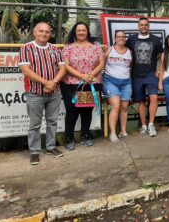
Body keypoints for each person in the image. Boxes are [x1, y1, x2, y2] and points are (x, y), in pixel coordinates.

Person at [19, 22, 66, 165]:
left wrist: (53, 84)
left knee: (52, 121)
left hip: (54, 93)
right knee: (35, 124)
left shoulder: (54, 49)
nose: (44, 34)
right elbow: (26, 70)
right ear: (34, 32)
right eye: (41, 31)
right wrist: (46, 83)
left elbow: (62, 69)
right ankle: (34, 151)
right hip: (35, 93)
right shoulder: (26, 48)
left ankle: (51, 147)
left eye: (47, 31)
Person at [60, 22, 105, 150]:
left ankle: (86, 135)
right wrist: (81, 75)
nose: (81, 32)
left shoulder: (96, 46)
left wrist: (91, 75)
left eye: (84, 30)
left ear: (87, 32)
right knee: (72, 112)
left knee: (86, 111)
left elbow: (101, 63)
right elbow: (66, 65)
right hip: (71, 84)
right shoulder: (68, 47)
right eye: (78, 30)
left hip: (91, 83)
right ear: (75, 32)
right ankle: (69, 138)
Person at [126, 17, 163, 137]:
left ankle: (151, 124)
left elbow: (161, 57)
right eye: (141, 25)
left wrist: (158, 70)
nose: (143, 27)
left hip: (151, 74)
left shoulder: (156, 40)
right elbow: (124, 52)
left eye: (146, 25)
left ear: (149, 26)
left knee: (154, 98)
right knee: (141, 101)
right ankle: (143, 125)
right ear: (138, 26)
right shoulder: (131, 39)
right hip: (136, 75)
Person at [103, 30, 132, 142]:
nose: (121, 38)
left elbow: (131, 67)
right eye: (118, 36)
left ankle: (123, 131)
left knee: (124, 107)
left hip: (126, 82)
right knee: (115, 106)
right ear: (115, 38)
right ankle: (113, 133)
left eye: (123, 36)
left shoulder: (130, 51)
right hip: (110, 81)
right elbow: (102, 62)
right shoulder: (109, 49)